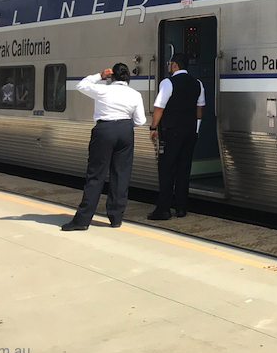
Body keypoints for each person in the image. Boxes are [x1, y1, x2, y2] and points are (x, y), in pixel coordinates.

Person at [62, 63, 146, 231]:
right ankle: (116, 218)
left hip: (104, 131)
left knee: (96, 175)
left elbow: (82, 85)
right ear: (127, 78)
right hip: (125, 131)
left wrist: (99, 75)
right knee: (121, 175)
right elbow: (140, 121)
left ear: (112, 76)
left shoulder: (103, 90)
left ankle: (82, 220)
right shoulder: (135, 95)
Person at [147, 53, 204, 220]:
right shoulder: (197, 84)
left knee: (166, 169)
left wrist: (153, 127)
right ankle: (181, 208)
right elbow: (200, 109)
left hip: (172, 131)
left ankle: (163, 209)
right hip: (190, 131)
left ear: (175, 66)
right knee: (183, 168)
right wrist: (197, 128)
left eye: (170, 63)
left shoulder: (167, 83)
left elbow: (159, 107)